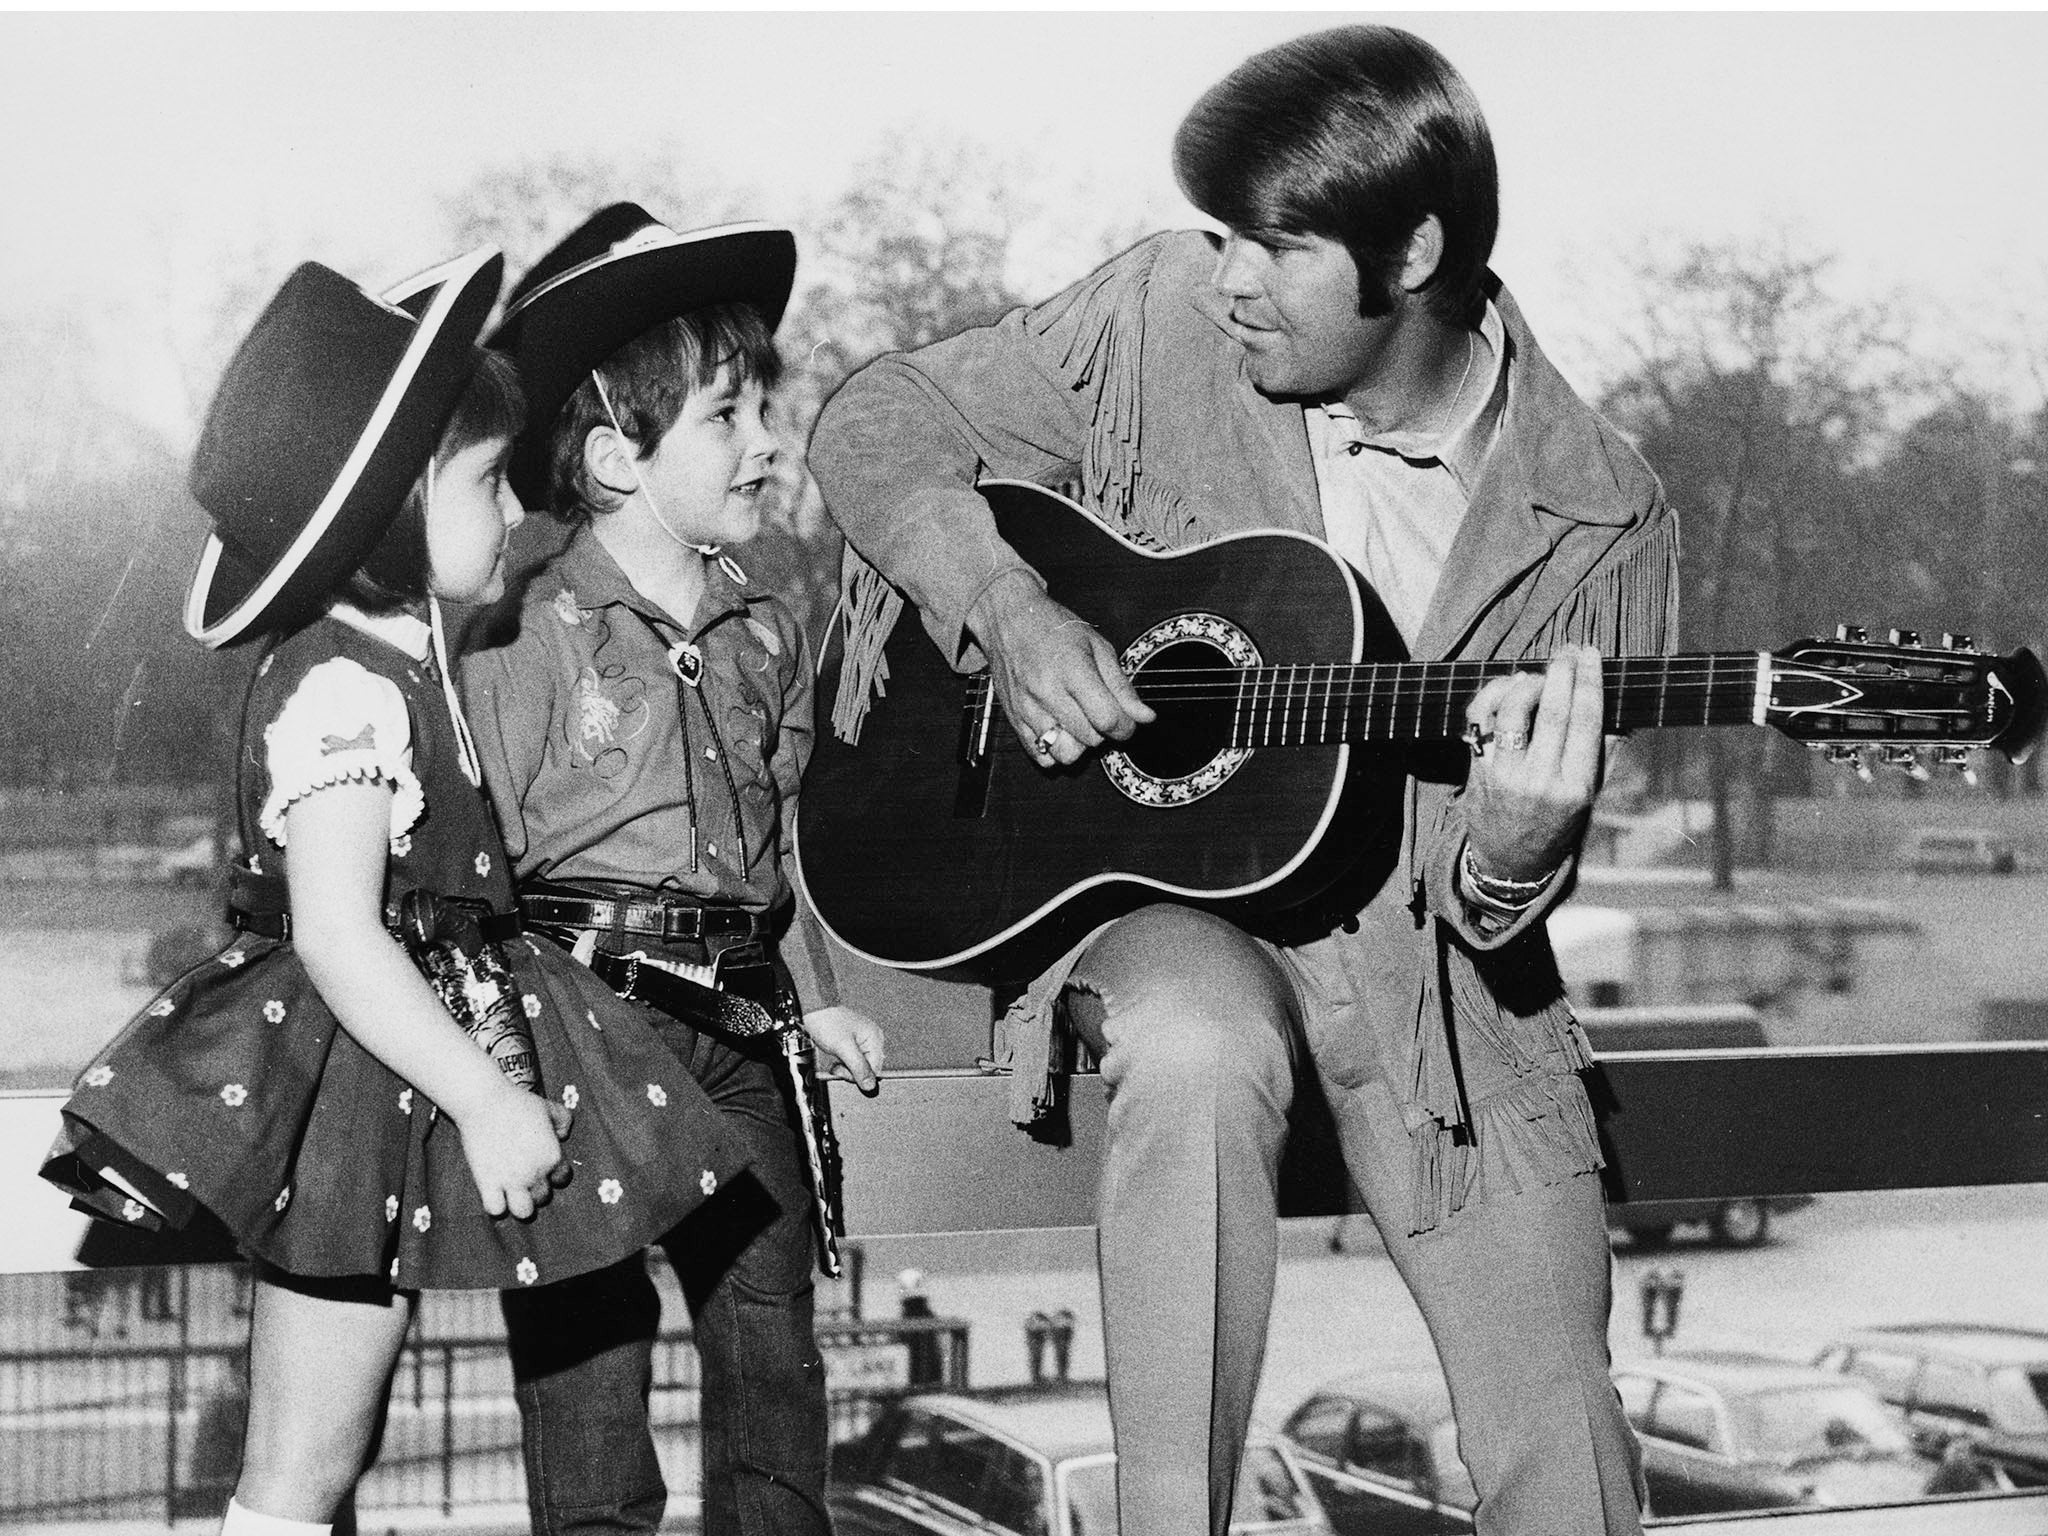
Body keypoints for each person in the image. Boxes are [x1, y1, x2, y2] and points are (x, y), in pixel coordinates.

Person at [808, 26, 1677, 1536]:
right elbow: (875, 421)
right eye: (1223, 235)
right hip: (1170, 915)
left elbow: (1496, 905)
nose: (1230, 281)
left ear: (1410, 251)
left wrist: (1518, 853)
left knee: (1566, 1437)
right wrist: (1009, 609)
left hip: (1437, 998)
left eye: (1277, 247)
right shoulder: (1159, 319)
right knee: (1197, 1049)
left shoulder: (1599, 516)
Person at [41, 248, 744, 1536]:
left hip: (386, 1081)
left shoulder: (406, 657)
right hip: (348, 1090)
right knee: (303, 1468)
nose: (518, 515)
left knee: (332, 1449)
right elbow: (337, 932)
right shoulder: (346, 693)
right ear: (386, 519)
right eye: (483, 483)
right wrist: (482, 1093)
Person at [464, 204, 886, 1536]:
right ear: (610, 458)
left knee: (776, 1350)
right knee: (588, 1366)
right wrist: (494, 1059)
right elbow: (481, 862)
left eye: (767, 406)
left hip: (745, 1023)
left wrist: (811, 994)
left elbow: (781, 841)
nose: (768, 441)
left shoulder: (770, 619)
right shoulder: (525, 624)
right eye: (727, 415)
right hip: (584, 1014)